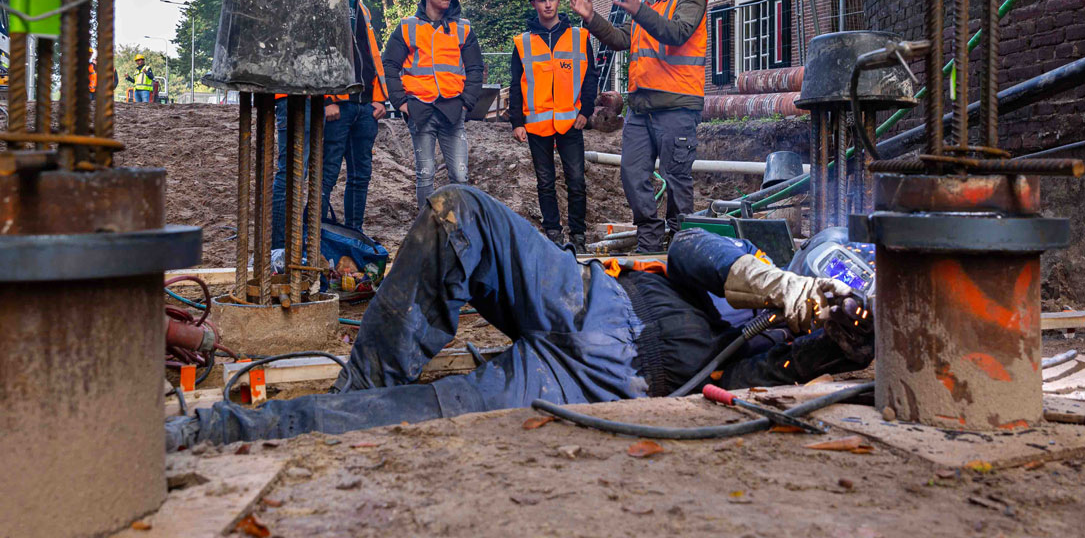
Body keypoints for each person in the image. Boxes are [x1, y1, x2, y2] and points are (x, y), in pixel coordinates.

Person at [165, 185, 873, 448]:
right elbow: (688, 245)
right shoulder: (758, 272)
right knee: (460, 212)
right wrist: (782, 289)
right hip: (587, 294)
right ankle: (356, 398)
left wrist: (820, 349)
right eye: (830, 282)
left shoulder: (807, 346)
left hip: (610, 382)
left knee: (436, 409)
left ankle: (219, 431)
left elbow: (750, 386)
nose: (832, 296)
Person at [565, 0, 706, 253]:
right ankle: (650, 241)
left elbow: (677, 33)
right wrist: (591, 18)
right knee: (632, 175)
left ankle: (681, 245)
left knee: (677, 181)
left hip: (676, 107)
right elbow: (620, 39)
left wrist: (638, 10)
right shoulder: (648, 1)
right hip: (641, 109)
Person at [381, 0, 484, 210]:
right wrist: (402, 103)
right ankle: (424, 231)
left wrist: (466, 103)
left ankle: (461, 227)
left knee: (460, 176)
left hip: (452, 111)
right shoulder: (408, 27)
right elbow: (389, 66)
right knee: (425, 176)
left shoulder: (463, 28)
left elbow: (476, 69)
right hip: (420, 111)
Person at [510, 0, 598, 252]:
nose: (547, 4)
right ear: (533, 4)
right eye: (541, 0)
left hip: (571, 122)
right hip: (536, 125)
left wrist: (585, 109)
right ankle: (553, 234)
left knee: (576, 181)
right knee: (545, 182)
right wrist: (517, 121)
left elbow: (590, 77)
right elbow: (516, 84)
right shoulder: (522, 43)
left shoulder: (578, 36)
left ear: (558, 1)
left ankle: (579, 236)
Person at [309, 0, 388, 231]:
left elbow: (370, 56)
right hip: (337, 106)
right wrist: (327, 98)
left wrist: (378, 97)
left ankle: (354, 234)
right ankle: (315, 235)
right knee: (326, 173)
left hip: (364, 105)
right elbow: (315, 54)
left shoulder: (359, 4)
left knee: (361, 175)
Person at [263, 0, 329, 249]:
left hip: (300, 90)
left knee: (296, 172)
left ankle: (286, 246)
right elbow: (289, 41)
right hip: (291, 91)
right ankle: (279, 249)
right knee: (290, 173)